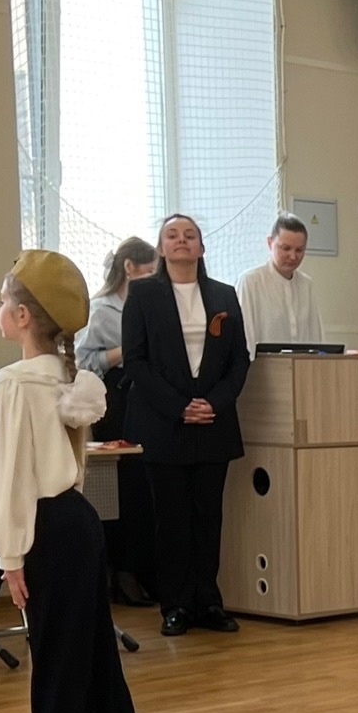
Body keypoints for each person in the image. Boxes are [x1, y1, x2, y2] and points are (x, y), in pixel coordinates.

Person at [0, 253, 143, 713]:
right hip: (77, 517)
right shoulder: (66, 376)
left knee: (53, 650)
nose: (0, 309)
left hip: (45, 523)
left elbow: (10, 478)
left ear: (23, 316)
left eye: (4, 301)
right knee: (90, 644)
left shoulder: (12, 382)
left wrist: (9, 555)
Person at [121, 213, 248, 635]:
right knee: (171, 519)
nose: (182, 241)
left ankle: (208, 602)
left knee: (208, 518)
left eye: (190, 235)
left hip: (213, 422)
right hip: (164, 424)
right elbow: (136, 360)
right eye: (172, 235)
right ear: (161, 248)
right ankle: (174, 604)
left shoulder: (224, 295)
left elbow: (238, 360)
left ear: (201, 247)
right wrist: (179, 407)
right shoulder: (142, 294)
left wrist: (214, 402)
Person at [76, 236, 161, 607]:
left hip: (145, 395)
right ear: (129, 268)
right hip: (116, 398)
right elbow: (81, 360)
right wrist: (128, 351)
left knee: (146, 486)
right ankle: (121, 570)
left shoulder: (152, 305)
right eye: (150, 271)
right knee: (125, 486)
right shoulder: (101, 310)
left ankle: (143, 568)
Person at [236, 215, 326, 350]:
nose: (293, 256)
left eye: (299, 250)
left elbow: (316, 337)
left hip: (301, 362)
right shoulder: (250, 282)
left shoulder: (307, 285)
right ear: (270, 243)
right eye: (286, 248)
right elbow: (244, 339)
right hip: (262, 363)